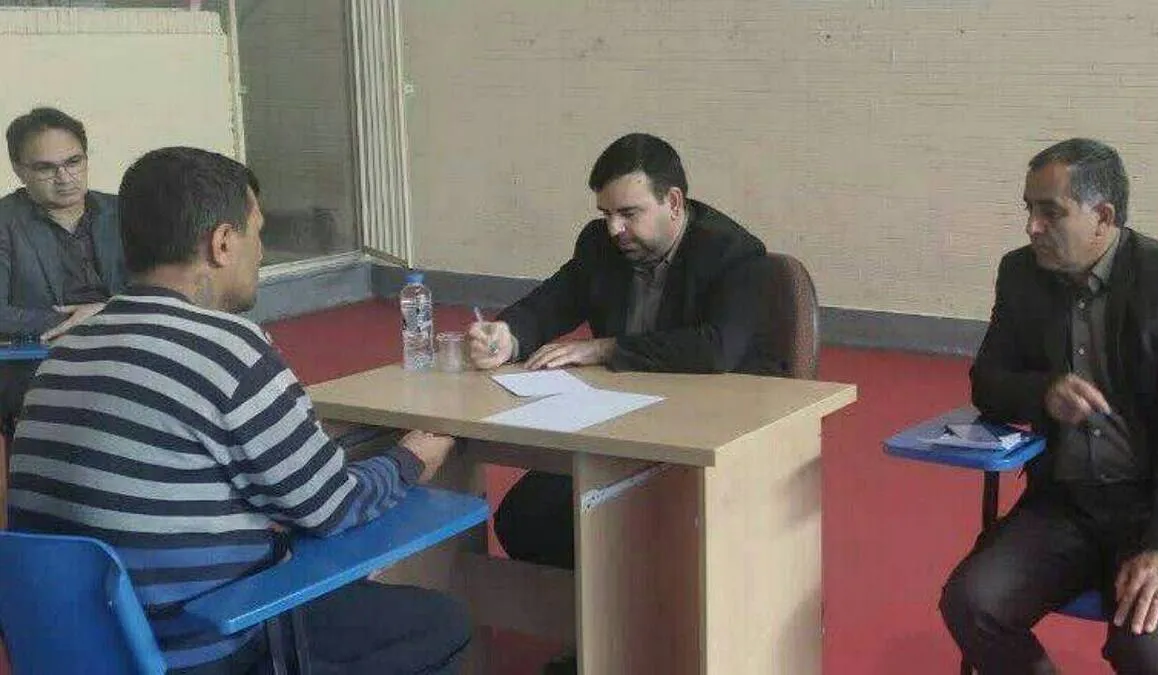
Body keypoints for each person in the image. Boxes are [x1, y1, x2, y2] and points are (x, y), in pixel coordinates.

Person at [8, 147, 469, 675]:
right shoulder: (228, 348)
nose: (262, 252)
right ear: (223, 243)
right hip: (200, 648)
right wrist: (411, 459)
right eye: (258, 233)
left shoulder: (65, 352)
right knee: (440, 623)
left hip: (75, 651)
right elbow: (332, 507)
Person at [939, 138, 1158, 673]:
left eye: (1050, 212)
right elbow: (987, 384)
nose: (1031, 227)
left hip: (1155, 508)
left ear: (1103, 216)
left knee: (1146, 650)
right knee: (971, 603)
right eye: (1028, 209)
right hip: (1064, 506)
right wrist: (1043, 392)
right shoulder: (1021, 273)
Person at [467, 132, 778, 572]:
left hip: (703, 437)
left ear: (673, 202)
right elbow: (553, 301)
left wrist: (606, 348)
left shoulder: (732, 254)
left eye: (629, 214)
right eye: (606, 214)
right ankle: (597, 607)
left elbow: (715, 349)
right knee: (524, 518)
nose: (614, 229)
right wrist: (507, 335)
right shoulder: (601, 245)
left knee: (652, 535)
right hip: (618, 427)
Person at [0, 107, 127, 441]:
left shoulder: (123, 212)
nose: (65, 177)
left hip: (127, 360)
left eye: (74, 162)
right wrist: (85, 321)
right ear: (18, 169)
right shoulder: (4, 223)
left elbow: (165, 290)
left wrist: (107, 311)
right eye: (46, 168)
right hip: (42, 375)